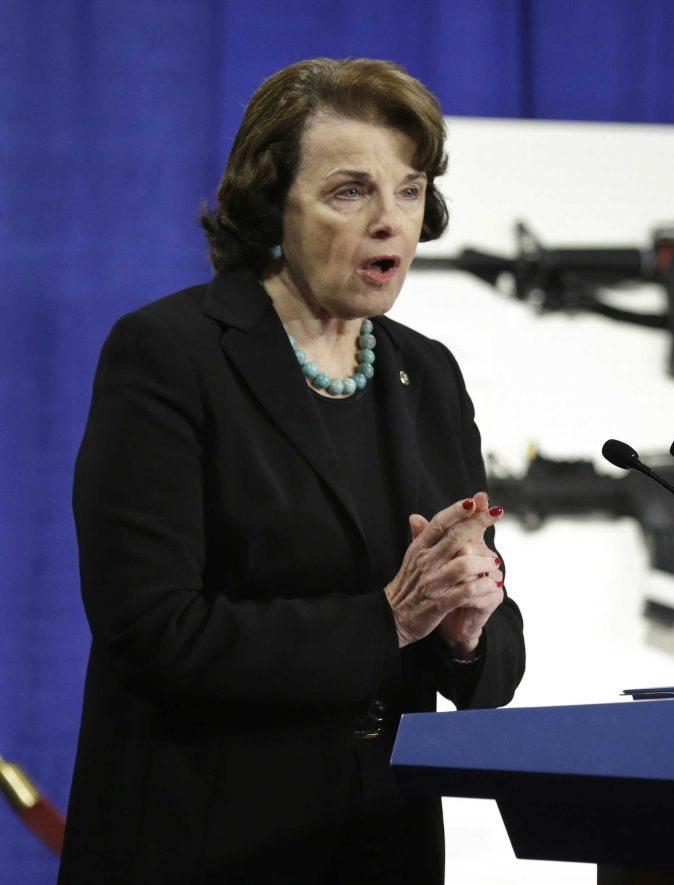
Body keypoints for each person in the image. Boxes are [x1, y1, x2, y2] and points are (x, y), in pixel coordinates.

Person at [59, 57, 525, 883]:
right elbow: (153, 632)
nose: (392, 221)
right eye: (351, 191)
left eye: (410, 190)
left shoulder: (429, 375)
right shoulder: (171, 356)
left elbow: (490, 655)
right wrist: (386, 620)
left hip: (382, 845)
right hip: (204, 845)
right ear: (272, 200)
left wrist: (466, 631)